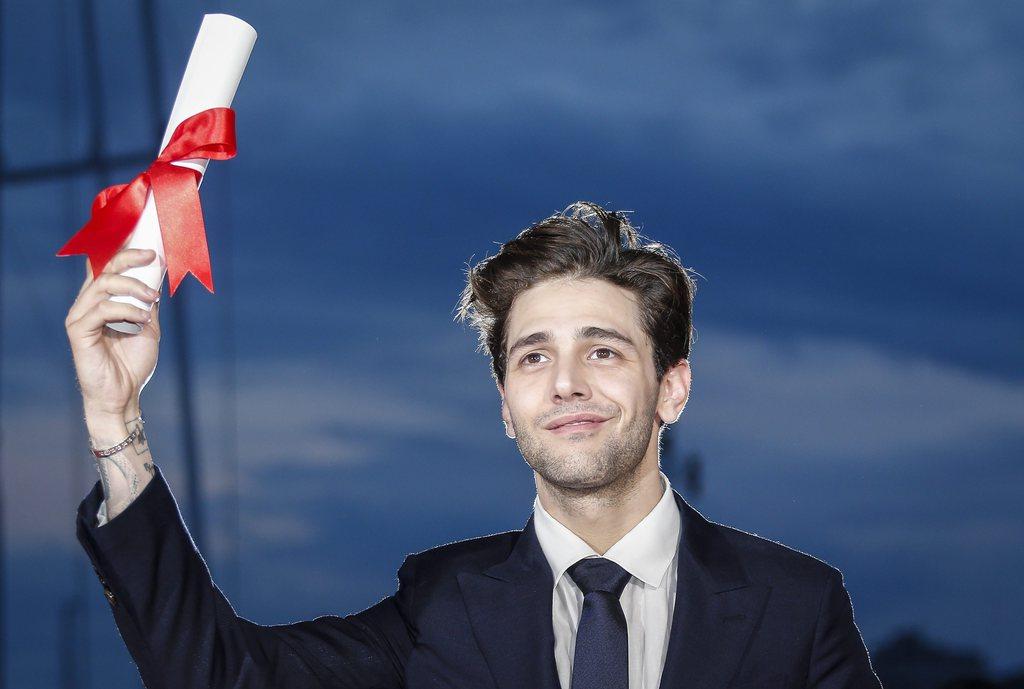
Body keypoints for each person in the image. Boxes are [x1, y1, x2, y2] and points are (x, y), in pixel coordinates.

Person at [65, 201, 884, 688]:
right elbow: (221, 676)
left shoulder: (797, 607)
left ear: (672, 385)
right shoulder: (440, 602)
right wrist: (115, 422)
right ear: (505, 404)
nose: (565, 382)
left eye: (602, 349)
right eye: (534, 356)